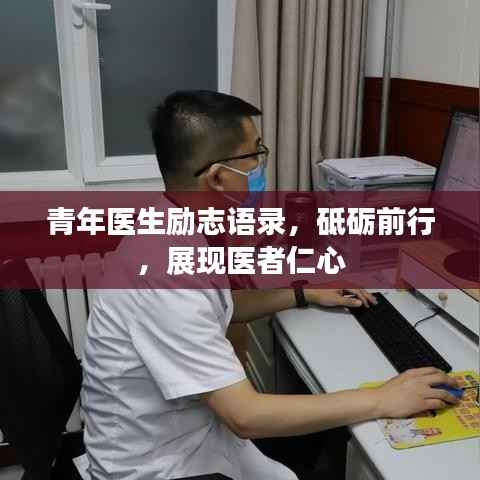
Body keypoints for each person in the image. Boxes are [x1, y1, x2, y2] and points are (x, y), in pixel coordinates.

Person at [81, 90, 460, 480]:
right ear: (218, 176)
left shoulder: (176, 224)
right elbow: (245, 416)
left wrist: (302, 293)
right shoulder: (164, 268)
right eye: (255, 154)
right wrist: (382, 398)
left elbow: (219, 306)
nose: (261, 166)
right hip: (158, 467)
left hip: (190, 435)